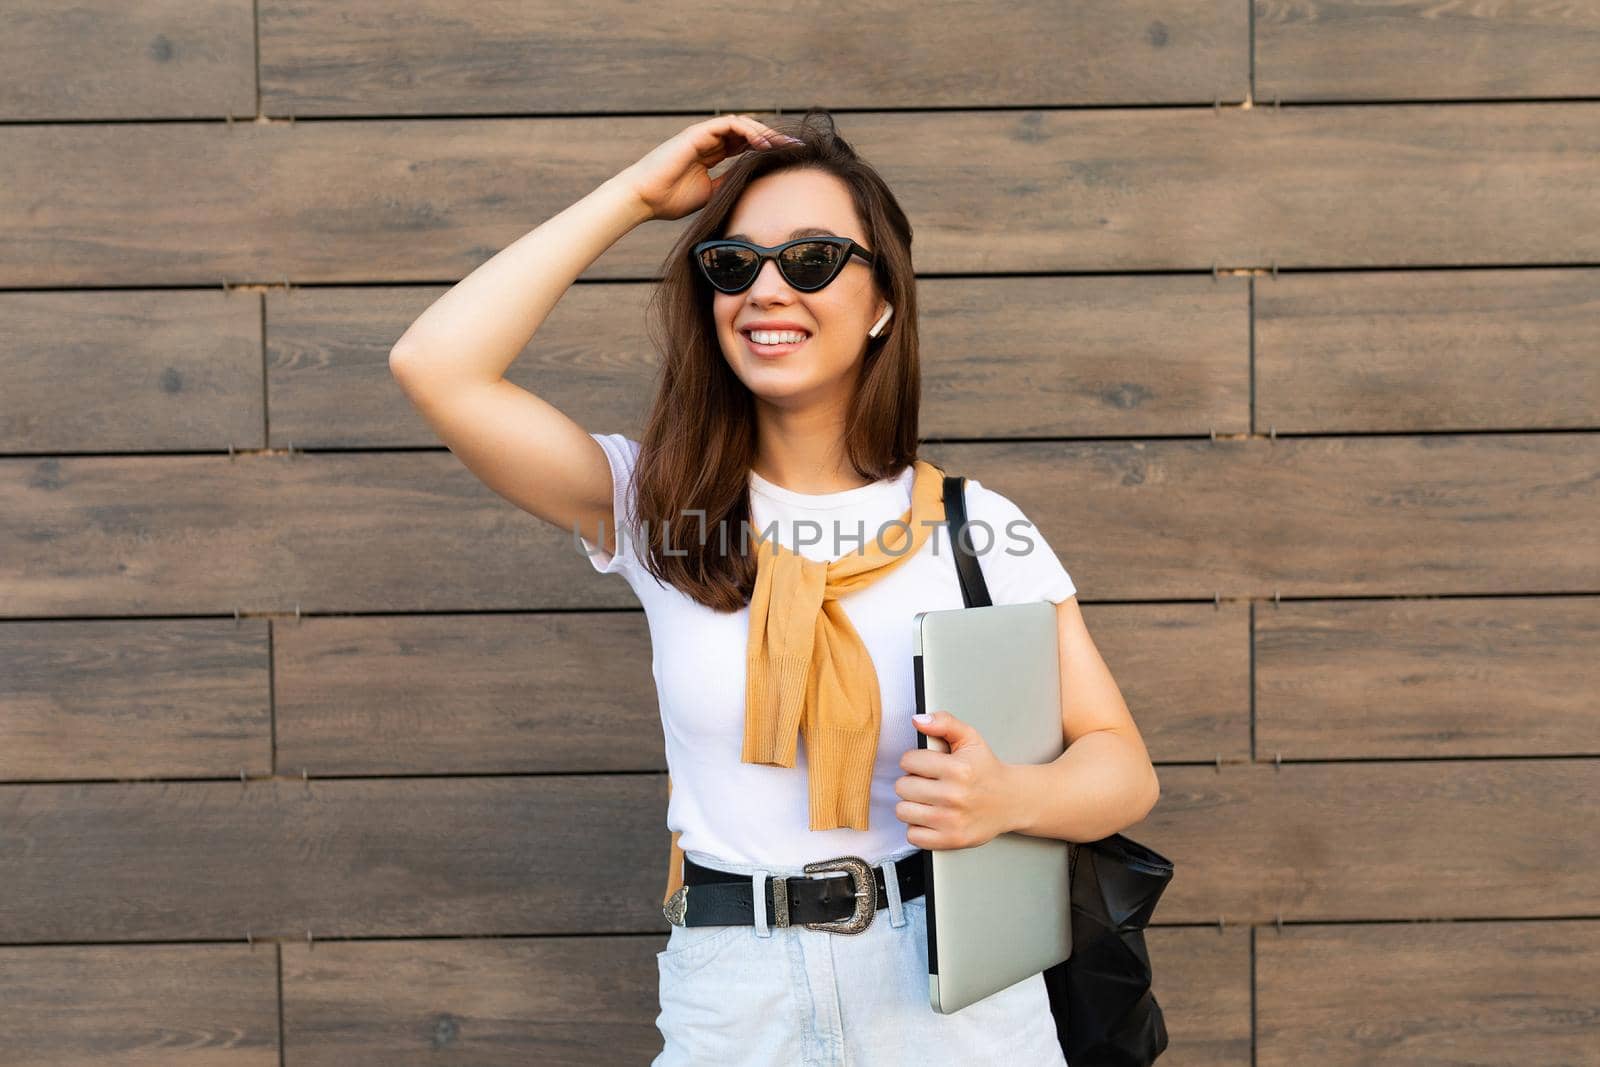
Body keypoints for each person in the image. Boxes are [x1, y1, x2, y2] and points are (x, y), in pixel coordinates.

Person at [389, 107, 1159, 1066]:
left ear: (883, 303)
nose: (766, 289)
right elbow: (435, 363)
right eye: (734, 264)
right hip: (733, 996)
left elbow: (1123, 766)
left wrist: (1007, 796)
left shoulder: (976, 528)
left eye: (811, 260)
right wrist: (634, 197)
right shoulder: (656, 505)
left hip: (950, 1000)